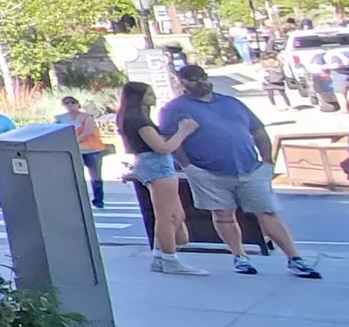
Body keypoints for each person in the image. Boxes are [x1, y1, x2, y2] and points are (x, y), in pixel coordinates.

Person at [156, 64, 322, 276]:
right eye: (193, 79)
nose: (200, 82)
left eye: (202, 77)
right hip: (207, 171)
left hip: (249, 167)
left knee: (267, 211)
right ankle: (239, 255)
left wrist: (267, 161)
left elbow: (257, 130)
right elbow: (169, 139)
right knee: (223, 214)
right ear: (182, 83)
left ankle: (294, 258)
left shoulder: (230, 102)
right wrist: (187, 166)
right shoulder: (174, 109)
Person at [116, 81, 203, 275]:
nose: (152, 98)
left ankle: (159, 256)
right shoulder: (138, 120)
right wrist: (183, 130)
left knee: (176, 215)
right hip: (156, 165)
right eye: (148, 94)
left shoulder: (135, 118)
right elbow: (163, 148)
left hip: (155, 164)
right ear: (137, 98)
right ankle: (170, 259)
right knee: (167, 216)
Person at [59, 94, 109, 209]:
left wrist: (74, 141)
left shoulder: (86, 117)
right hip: (76, 151)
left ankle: (98, 200)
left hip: (93, 150)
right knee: (77, 175)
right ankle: (80, 198)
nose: (70, 105)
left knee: (95, 176)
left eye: (72, 102)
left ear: (78, 104)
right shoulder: (61, 119)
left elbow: (88, 132)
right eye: (67, 103)